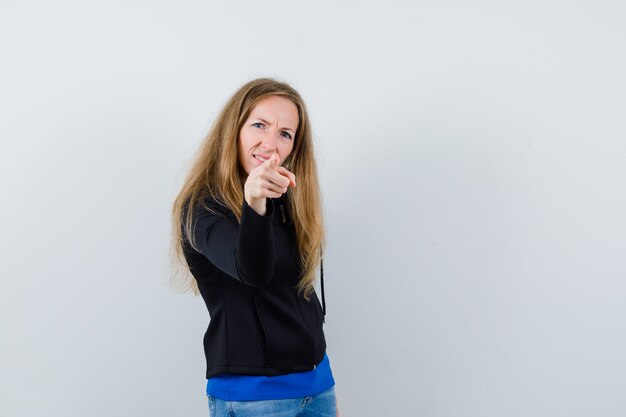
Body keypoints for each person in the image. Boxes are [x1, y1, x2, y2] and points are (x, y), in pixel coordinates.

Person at [170, 78, 338, 417]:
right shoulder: (202, 208)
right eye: (259, 124)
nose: (270, 143)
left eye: (285, 133)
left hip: (317, 384)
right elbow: (252, 271)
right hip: (254, 399)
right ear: (234, 128)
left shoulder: (286, 202)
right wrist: (254, 201)